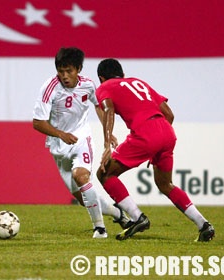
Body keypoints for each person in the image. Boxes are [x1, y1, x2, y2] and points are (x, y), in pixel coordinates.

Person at [95, 58, 215, 241]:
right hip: (167, 132)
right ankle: (203, 224)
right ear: (123, 74)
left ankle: (137, 217)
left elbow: (108, 110)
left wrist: (106, 145)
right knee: (165, 184)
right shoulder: (138, 82)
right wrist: (156, 145)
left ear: (101, 78)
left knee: (105, 173)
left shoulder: (105, 86)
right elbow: (169, 114)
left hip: (145, 133)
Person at [32, 47, 133, 239]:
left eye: (69, 71)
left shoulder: (88, 85)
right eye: (61, 71)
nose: (65, 76)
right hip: (59, 146)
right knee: (82, 197)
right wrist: (60, 134)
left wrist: (107, 132)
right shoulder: (49, 88)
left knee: (82, 176)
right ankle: (119, 214)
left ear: (78, 69)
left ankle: (100, 229)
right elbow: (38, 123)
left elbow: (99, 105)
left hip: (81, 139)